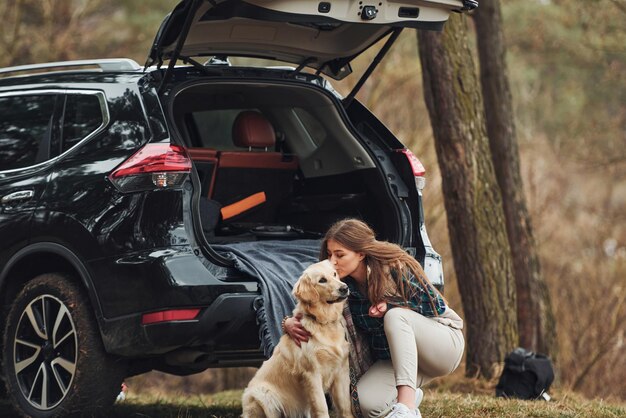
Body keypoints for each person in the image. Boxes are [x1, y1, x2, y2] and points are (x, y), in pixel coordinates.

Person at [283, 219, 465, 418]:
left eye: (339, 254)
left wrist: (391, 305)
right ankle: (409, 396)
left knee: (396, 317)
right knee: (362, 404)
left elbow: (436, 306)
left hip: (443, 345)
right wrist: (289, 322)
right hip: (399, 358)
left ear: (361, 253)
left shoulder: (394, 266)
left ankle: (406, 408)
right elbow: (312, 308)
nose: (332, 261)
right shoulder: (341, 288)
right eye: (329, 254)